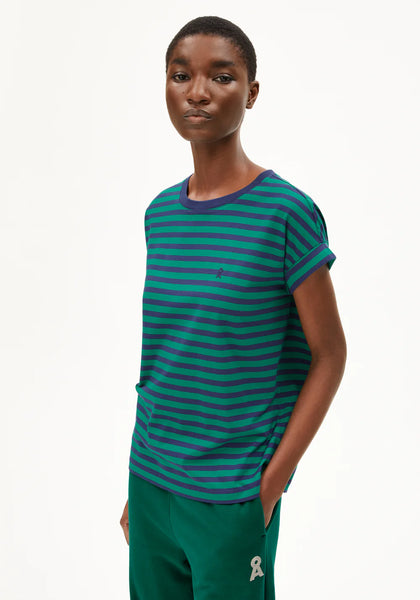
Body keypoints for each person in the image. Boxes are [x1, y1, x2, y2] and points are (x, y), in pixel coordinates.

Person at [120, 15, 347, 600]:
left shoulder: (286, 214)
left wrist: (269, 489)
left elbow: (329, 355)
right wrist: (139, 490)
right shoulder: (160, 215)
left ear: (251, 93)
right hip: (151, 482)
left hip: (232, 495)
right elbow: (166, 358)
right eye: (181, 75)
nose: (197, 92)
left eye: (221, 77)